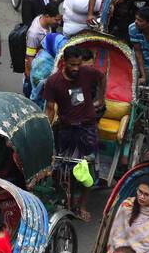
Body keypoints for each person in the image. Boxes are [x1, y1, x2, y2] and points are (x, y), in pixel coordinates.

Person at [44, 45, 104, 217]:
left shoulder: (87, 72)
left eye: (78, 64)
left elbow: (101, 77)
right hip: (66, 129)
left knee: (89, 168)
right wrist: (46, 132)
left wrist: (101, 98)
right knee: (62, 166)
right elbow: (49, 109)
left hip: (87, 128)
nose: (76, 69)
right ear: (64, 62)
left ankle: (82, 205)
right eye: (72, 65)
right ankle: (64, 198)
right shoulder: (54, 82)